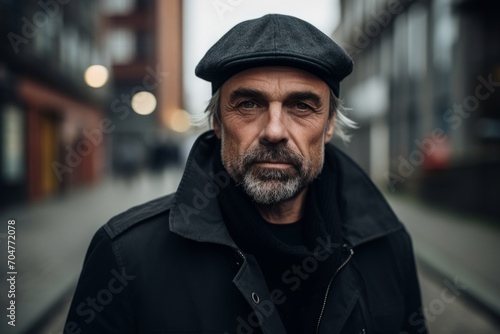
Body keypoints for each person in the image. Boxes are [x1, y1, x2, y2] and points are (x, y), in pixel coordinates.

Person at [64, 14, 427, 334]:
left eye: (301, 106)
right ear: (217, 122)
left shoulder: (387, 243)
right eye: (249, 104)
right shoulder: (126, 257)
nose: (273, 130)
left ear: (329, 124)